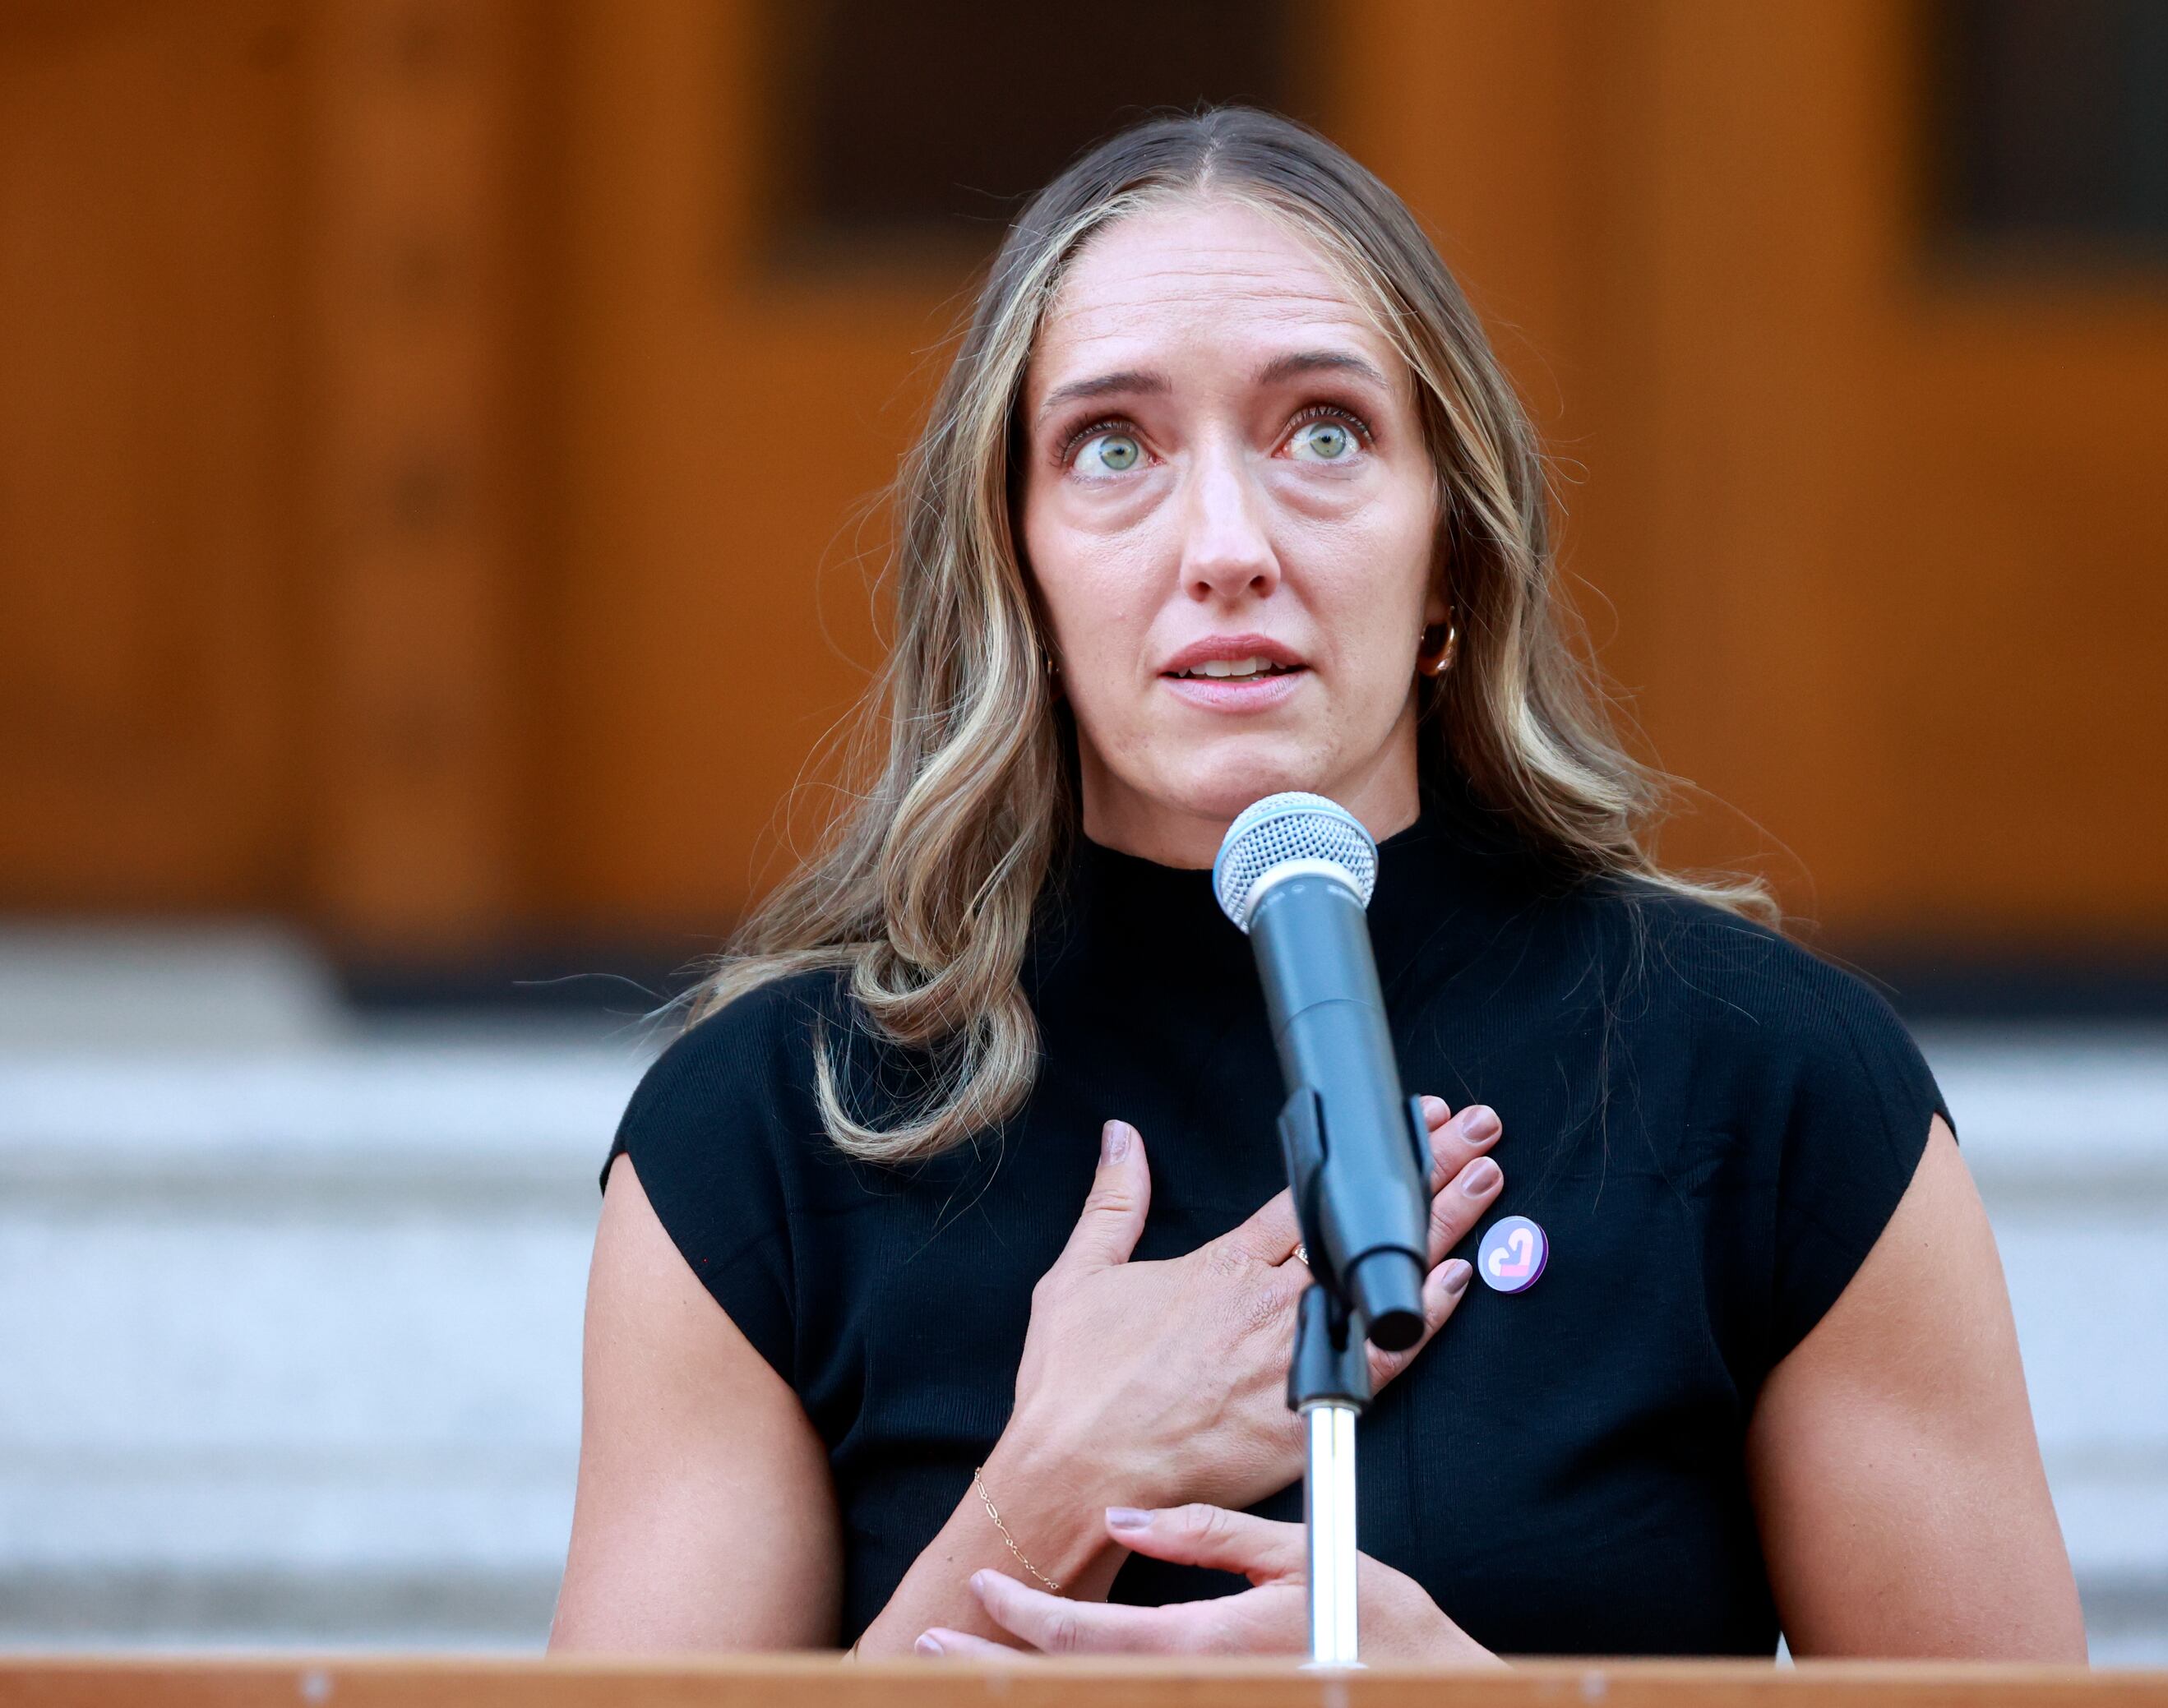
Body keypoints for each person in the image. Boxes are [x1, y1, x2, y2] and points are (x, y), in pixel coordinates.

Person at [546, 108, 2084, 1663]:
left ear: (1450, 556)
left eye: (1325, 432)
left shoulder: (1767, 1087)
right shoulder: (771, 1133)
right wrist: (1068, 1479)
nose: (1225, 542)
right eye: (1114, 447)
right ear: (1015, 564)